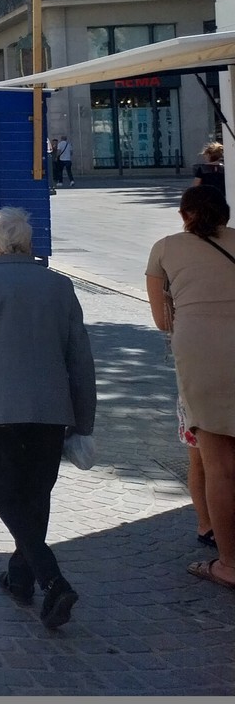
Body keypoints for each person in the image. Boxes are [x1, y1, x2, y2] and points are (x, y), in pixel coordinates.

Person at [0, 207, 96, 630]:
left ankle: (52, 579)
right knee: (36, 493)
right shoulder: (60, 286)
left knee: (6, 496)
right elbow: (81, 359)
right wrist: (85, 422)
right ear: (26, 245)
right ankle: (21, 578)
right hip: (51, 410)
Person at [145, 185, 235, 589]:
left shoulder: (165, 248)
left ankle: (229, 564)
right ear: (225, 215)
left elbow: (163, 321)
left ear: (184, 215)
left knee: (219, 465)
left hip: (202, 354)